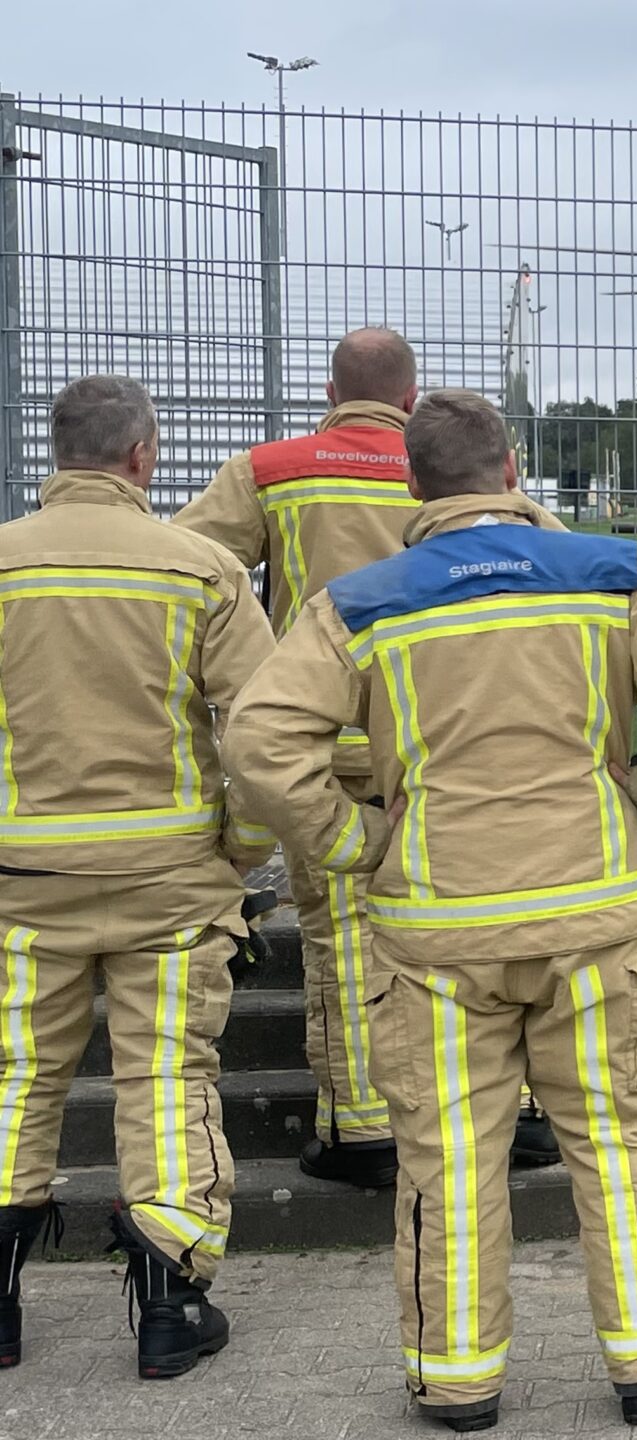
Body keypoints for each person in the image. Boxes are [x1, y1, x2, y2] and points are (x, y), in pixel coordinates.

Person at [225, 390, 637, 1431]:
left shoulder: (359, 603)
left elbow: (259, 742)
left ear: (412, 487)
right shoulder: (612, 572)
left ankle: (455, 1379)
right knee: (618, 1140)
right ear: (512, 468)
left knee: (446, 1157)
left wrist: (350, 843)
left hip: (434, 932)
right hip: (594, 919)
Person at [175, 328, 561, 1189]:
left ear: (327, 388)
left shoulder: (273, 469)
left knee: (346, 944)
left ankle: (365, 1130)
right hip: (458, 745)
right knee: (506, 930)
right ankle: (527, 1118)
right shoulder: (467, 466)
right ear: (410, 393)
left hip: (334, 752)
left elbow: (188, 562)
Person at [0, 377, 277, 1378]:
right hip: (172, 887)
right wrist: (239, 851)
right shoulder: (201, 570)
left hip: (20, 883)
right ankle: (169, 1310)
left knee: (14, 1080)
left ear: (58, 453)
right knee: (167, 1080)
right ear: (144, 456)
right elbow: (261, 736)